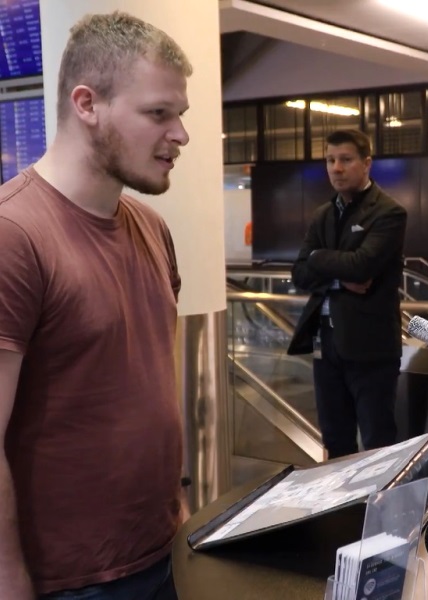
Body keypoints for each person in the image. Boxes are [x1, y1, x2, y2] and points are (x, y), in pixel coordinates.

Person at [0, 12, 191, 600]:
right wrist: (8, 580)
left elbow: (149, 385)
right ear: (87, 104)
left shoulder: (152, 227)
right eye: (158, 113)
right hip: (70, 581)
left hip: (161, 551)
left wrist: (178, 509)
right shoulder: (14, 234)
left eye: (180, 113)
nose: (181, 134)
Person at [287, 129, 408, 460]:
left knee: (378, 445)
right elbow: (299, 274)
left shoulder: (389, 213)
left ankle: (381, 497)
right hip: (326, 347)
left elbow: (361, 266)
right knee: (335, 442)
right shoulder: (323, 215)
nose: (336, 168)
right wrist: (337, 280)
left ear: (366, 163)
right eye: (330, 160)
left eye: (345, 159)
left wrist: (318, 258)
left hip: (370, 349)